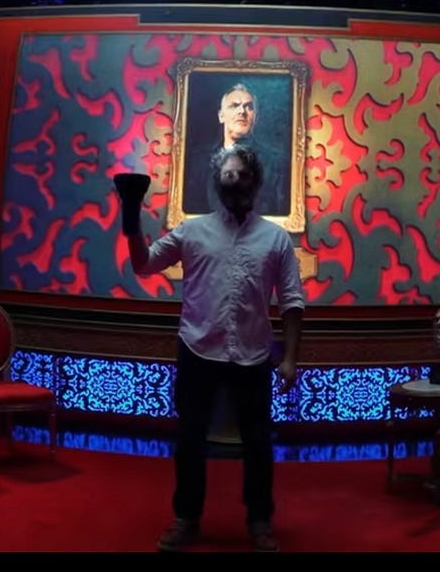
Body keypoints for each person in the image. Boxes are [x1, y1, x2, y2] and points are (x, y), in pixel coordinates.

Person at [115, 145, 305, 553]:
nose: (235, 180)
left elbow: (292, 301)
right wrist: (131, 219)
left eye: (242, 174)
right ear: (218, 182)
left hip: (253, 355)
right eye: (228, 174)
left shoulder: (275, 239)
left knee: (257, 443)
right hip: (197, 347)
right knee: (189, 440)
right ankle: (186, 517)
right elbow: (144, 264)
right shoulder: (191, 231)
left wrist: (289, 357)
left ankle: (259, 521)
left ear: (255, 181)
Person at [183, 83, 289, 217]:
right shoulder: (198, 163)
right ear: (221, 116)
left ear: (254, 117)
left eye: (248, 107)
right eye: (234, 106)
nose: (242, 111)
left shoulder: (276, 164)